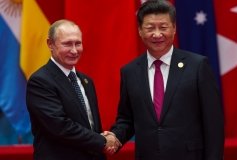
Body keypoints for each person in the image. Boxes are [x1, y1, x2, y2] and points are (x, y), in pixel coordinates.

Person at [104, 0, 224, 160]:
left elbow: (213, 122)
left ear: (174, 28)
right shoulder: (130, 71)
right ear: (140, 30)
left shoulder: (197, 66)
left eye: (163, 27)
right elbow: (126, 119)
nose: (157, 34)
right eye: (150, 28)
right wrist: (115, 137)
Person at [26, 19, 120, 160]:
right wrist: (103, 141)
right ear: (50, 44)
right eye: (67, 44)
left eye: (78, 43)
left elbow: (91, 126)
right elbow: (60, 127)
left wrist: (107, 138)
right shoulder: (40, 81)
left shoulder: (86, 81)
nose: (74, 50)